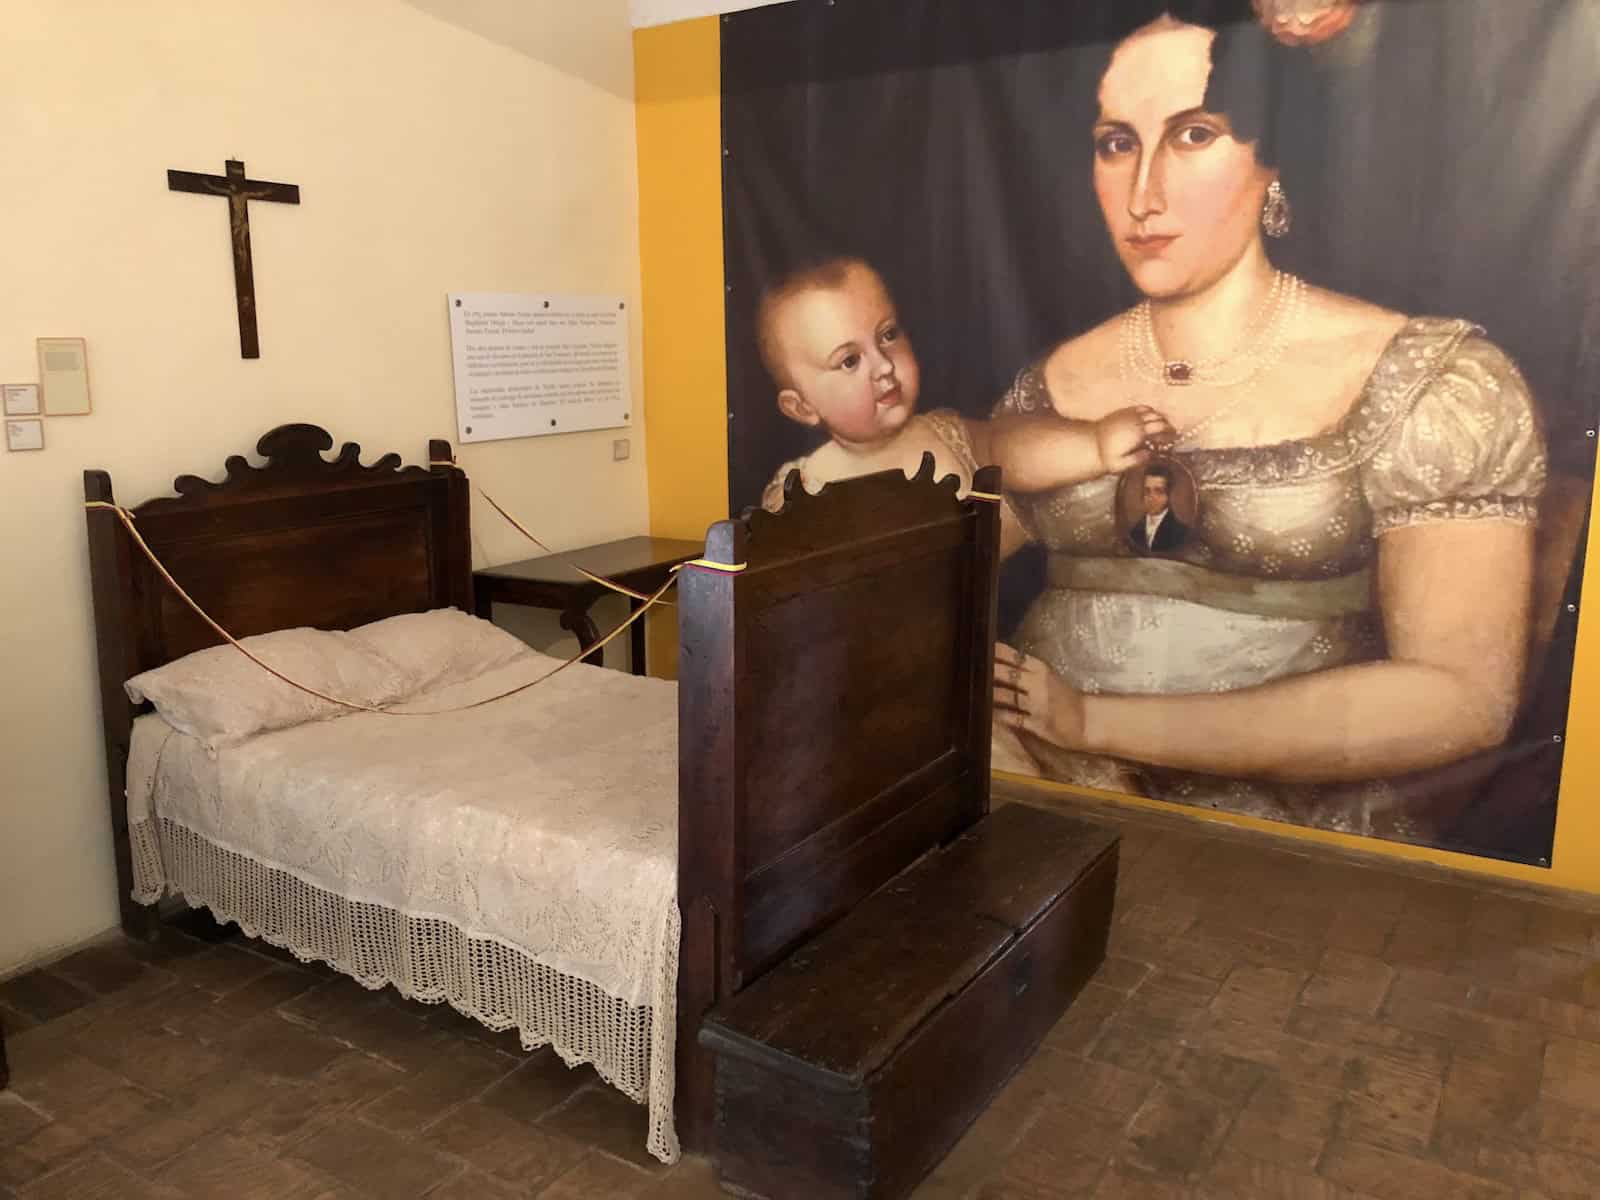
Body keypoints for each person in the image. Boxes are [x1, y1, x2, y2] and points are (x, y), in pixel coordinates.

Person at [988, 7, 1548, 840]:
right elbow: (926, 574)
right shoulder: (1053, 381)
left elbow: (1462, 698)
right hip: (1040, 803)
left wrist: (1092, 722)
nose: (1145, 195)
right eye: (1117, 143)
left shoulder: (1430, 378)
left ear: (1273, 159)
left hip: (1286, 846)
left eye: (1193, 135)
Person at [755, 256, 1175, 557]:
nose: (883, 366)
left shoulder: (944, 434)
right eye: (849, 361)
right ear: (801, 407)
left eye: (887, 336)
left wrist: (1096, 444)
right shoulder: (801, 493)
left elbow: (1012, 449)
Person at [1128, 463, 1188, 554]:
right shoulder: (1133, 531)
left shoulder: (1181, 533)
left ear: (1169, 495)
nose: (1152, 497)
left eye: (1159, 491)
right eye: (1147, 491)